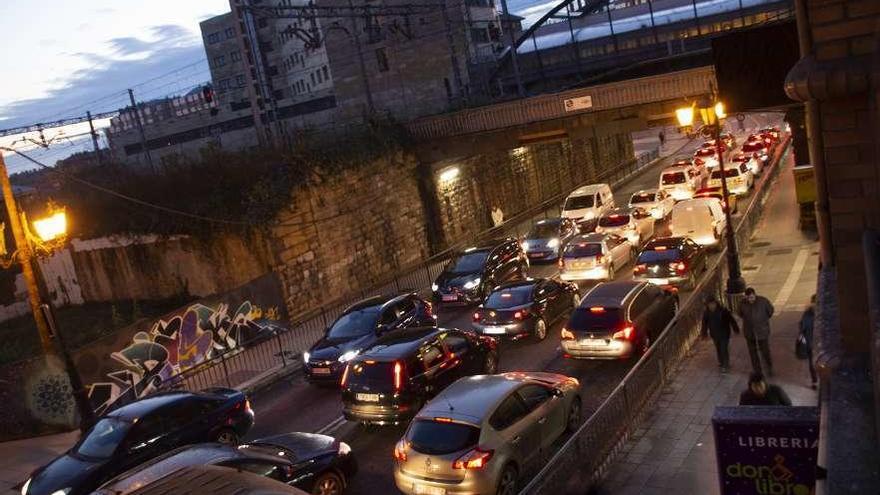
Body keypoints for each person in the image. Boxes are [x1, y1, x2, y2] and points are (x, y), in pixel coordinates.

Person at [738, 287, 775, 376]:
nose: (750, 300)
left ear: (754, 295)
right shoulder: (742, 304)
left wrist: (763, 320)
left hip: (762, 330)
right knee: (753, 352)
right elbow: (740, 314)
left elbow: (770, 311)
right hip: (749, 332)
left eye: (752, 297)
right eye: (748, 298)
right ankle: (757, 370)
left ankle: (769, 367)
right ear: (746, 297)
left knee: (765, 351)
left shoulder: (763, 301)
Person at [701, 296, 739, 372]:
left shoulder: (723, 310)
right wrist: (704, 333)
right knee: (718, 348)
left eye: (713, 304)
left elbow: (731, 319)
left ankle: (726, 365)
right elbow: (704, 323)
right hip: (714, 334)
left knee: (724, 348)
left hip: (724, 333)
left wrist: (735, 329)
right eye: (709, 304)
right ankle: (721, 362)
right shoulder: (707, 313)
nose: (711, 306)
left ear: (716, 303)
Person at [799, 294, 818, 389]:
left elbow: (802, 327)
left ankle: (815, 381)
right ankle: (814, 381)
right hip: (812, 343)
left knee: (813, 363)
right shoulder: (808, 314)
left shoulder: (808, 314)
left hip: (814, 342)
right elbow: (802, 327)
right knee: (813, 363)